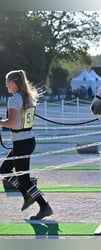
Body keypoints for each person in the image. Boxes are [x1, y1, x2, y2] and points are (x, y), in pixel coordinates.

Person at [0, 69, 52, 220]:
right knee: (5, 170)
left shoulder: (14, 99)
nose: (6, 85)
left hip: (21, 142)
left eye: (7, 82)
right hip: (27, 140)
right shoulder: (28, 97)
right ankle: (27, 195)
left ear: (14, 82)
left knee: (24, 178)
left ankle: (44, 206)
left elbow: (12, 122)